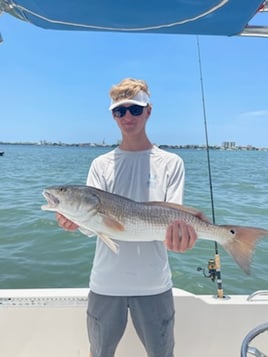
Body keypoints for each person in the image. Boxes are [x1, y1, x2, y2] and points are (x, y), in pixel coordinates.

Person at [57, 78, 198, 357]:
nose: (127, 116)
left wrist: (182, 238)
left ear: (149, 110)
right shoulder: (100, 165)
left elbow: (173, 222)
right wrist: (73, 221)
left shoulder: (171, 163)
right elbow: (93, 227)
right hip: (105, 284)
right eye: (119, 111)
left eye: (134, 109)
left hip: (155, 284)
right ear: (113, 116)